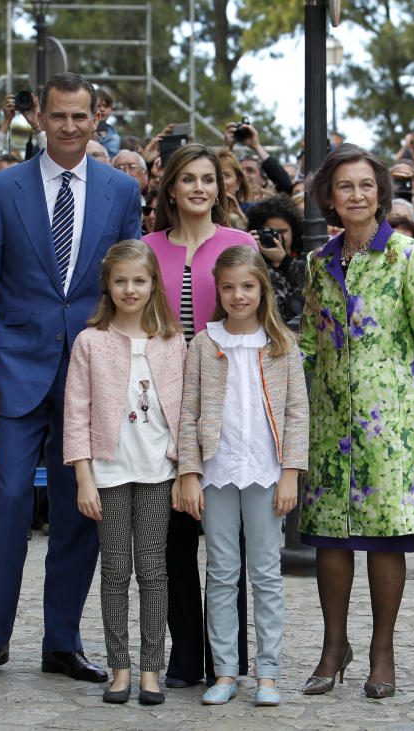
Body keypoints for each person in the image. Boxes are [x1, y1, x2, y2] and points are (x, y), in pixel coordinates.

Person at [0, 71, 142, 683]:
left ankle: (61, 641)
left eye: (79, 117)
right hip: (12, 374)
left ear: (97, 118)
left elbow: (130, 291)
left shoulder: (120, 191)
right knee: (9, 501)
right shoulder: (2, 190)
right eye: (58, 116)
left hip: (90, 377)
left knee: (79, 510)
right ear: (39, 117)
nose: (68, 127)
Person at [299, 143, 414, 700]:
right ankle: (332, 646)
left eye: (366, 185)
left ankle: (381, 650)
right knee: (330, 541)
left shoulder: (410, 256)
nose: (357, 195)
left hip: (394, 424)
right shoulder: (318, 262)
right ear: (329, 198)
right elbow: (312, 344)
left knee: (387, 540)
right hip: (328, 421)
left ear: (381, 194)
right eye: (345, 187)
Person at [142, 142, 258, 688]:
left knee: (225, 543)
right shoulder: (144, 249)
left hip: (229, 410)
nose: (198, 188)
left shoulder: (240, 244)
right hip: (160, 407)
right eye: (187, 179)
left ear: (220, 187)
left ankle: (227, 662)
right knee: (170, 545)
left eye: (208, 179)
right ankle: (186, 658)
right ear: (170, 188)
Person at [178, 245, 308, 707]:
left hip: (266, 473)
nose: (238, 295)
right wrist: (189, 473)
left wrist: (290, 473)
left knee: (267, 573)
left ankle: (268, 672)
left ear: (262, 289)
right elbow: (188, 412)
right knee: (221, 572)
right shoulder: (202, 343)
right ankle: (225, 670)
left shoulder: (283, 346)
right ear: (219, 290)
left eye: (248, 286)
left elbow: (296, 414)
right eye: (229, 287)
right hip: (216, 473)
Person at [64, 240, 185, 706]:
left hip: (159, 473)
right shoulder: (91, 342)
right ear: (107, 286)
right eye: (120, 281)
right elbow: (76, 411)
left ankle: (152, 669)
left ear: (154, 283)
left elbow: (187, 412)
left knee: (153, 570)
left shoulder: (174, 343)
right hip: (109, 474)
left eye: (139, 280)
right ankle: (120, 668)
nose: (130, 289)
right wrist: (83, 477)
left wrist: (186, 471)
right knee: (115, 571)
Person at [245, 195, 306, 324]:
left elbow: (308, 284)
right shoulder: (253, 264)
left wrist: (284, 261)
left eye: (283, 231)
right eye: (270, 232)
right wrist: (248, 245)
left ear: (293, 231)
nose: (277, 237)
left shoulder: (304, 256)